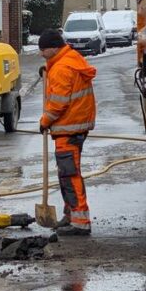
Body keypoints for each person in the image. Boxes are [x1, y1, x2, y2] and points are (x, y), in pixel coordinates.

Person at [38, 29, 97, 236]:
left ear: (53, 48)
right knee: (66, 172)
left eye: (43, 50)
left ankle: (80, 221)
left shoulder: (62, 68)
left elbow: (58, 103)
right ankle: (70, 214)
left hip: (68, 127)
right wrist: (47, 69)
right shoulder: (67, 60)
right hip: (74, 125)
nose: (41, 53)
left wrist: (44, 121)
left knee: (70, 174)